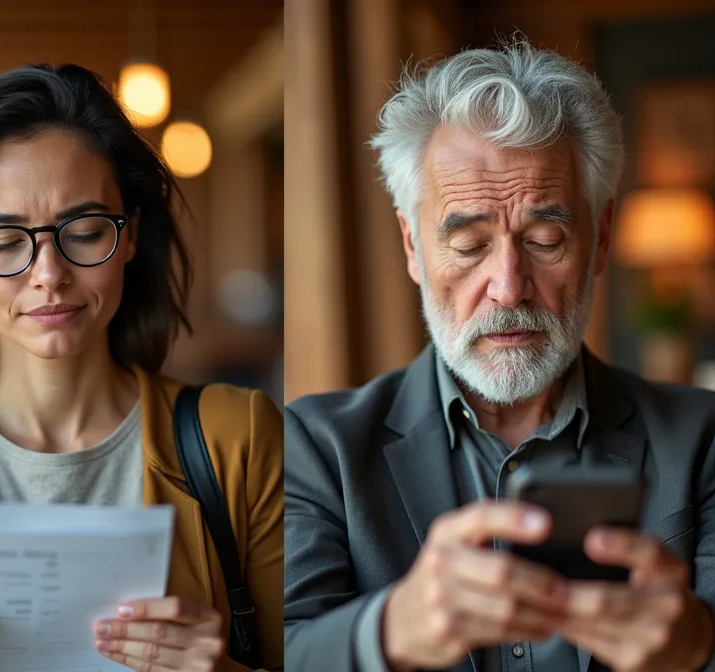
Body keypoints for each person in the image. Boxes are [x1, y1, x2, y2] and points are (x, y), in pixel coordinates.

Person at [0, 64, 283, 672]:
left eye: (86, 230)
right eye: (4, 242)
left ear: (128, 237)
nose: (48, 274)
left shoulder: (242, 439)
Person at [284, 37, 715, 672]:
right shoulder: (315, 448)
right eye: (468, 245)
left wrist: (696, 644)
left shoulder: (702, 438)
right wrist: (389, 630)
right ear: (412, 246)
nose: (509, 287)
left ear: (601, 242)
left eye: (546, 239)